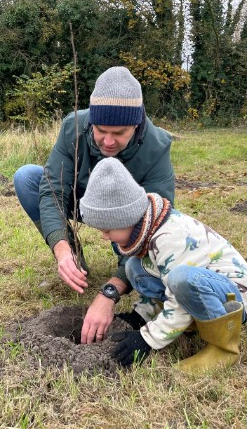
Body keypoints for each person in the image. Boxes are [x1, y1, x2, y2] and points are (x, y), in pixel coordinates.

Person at [13, 66, 175, 342]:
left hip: (129, 217)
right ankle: (76, 263)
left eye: (119, 133)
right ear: (92, 122)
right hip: (85, 201)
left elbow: (157, 221)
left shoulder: (156, 146)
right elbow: (53, 189)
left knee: (141, 253)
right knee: (27, 177)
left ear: (136, 125)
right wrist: (61, 249)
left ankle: (127, 264)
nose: (108, 141)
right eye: (101, 131)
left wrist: (111, 290)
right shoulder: (72, 127)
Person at [78, 157, 247, 373]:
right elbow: (158, 275)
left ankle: (223, 348)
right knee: (134, 268)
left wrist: (147, 339)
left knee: (181, 278)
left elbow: (178, 293)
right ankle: (158, 317)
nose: (103, 236)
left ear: (126, 218)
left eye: (107, 230)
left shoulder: (169, 238)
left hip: (237, 297)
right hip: (202, 286)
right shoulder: (149, 229)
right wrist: (140, 316)